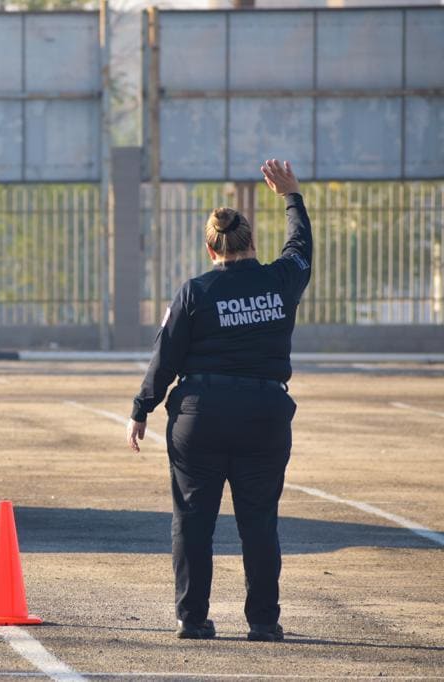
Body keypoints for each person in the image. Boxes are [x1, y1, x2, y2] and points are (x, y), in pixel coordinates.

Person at [126, 159, 313, 643]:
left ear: (210, 248)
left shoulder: (195, 291)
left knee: (192, 521)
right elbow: (301, 249)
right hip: (263, 416)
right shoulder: (279, 282)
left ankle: (193, 619)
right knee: (259, 523)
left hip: (200, 417)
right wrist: (291, 197)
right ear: (251, 242)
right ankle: (265, 622)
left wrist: (141, 408)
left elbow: (165, 354)